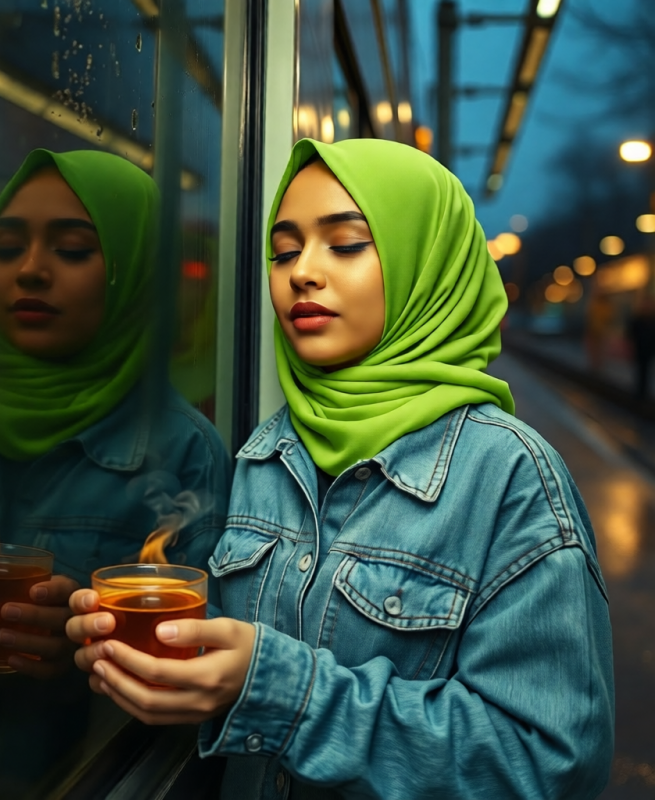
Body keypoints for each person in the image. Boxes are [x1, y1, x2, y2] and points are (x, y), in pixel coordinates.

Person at [66, 139, 614, 799]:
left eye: (347, 244)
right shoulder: (266, 455)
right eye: (285, 249)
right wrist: (157, 651)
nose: (302, 272)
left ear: (428, 265)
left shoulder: (509, 477)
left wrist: (281, 692)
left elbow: (548, 766)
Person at [0, 149, 231, 798]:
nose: (30, 270)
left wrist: (87, 658)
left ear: (132, 276)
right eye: (6, 247)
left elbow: (209, 701)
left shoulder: (182, 454)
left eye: (74, 249)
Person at [626, 293, 655, 399]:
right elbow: (630, 334)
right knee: (639, 370)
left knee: (647, 371)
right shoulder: (637, 319)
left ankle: (644, 392)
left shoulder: (652, 320)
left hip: (649, 350)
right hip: (639, 349)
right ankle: (639, 392)